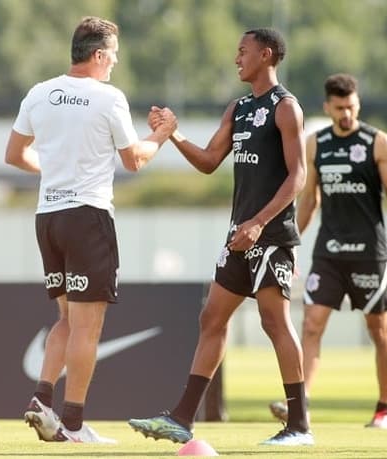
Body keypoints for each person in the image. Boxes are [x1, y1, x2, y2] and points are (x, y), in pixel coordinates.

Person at [128, 28, 313, 446]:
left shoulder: (286, 108)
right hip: (238, 237)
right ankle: (182, 419)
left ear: (266, 56)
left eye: (243, 52)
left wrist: (260, 224)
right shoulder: (239, 108)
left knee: (273, 320)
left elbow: (298, 176)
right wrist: (172, 133)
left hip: (270, 235)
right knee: (211, 318)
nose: (236, 59)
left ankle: (299, 426)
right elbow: (211, 161)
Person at [4, 16, 176, 444]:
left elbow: (13, 154)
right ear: (98, 55)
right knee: (88, 328)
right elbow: (134, 160)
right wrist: (163, 134)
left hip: (49, 218)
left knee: (65, 318)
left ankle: (42, 400)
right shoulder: (108, 97)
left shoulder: (39, 93)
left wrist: (54, 170)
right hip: (88, 218)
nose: (115, 62)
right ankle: (75, 425)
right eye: (113, 55)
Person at [268, 73, 387, 430]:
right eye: (339, 108)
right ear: (327, 107)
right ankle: (301, 402)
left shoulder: (378, 142)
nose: (346, 114)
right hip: (329, 253)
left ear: (358, 104)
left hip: (369, 253)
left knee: (378, 329)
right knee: (312, 324)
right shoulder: (315, 144)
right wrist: (289, 243)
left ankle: (383, 409)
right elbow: (309, 202)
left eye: (351, 107)